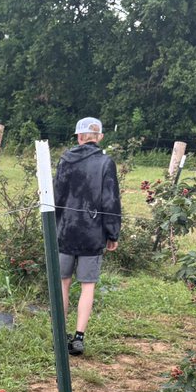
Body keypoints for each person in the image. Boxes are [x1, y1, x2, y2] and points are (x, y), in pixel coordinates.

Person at [54, 116, 121, 356]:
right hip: (92, 234)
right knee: (88, 285)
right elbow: (110, 201)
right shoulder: (106, 162)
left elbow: (56, 198)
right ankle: (79, 337)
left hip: (64, 232)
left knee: (62, 282)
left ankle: (59, 335)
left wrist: (55, 228)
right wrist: (112, 233)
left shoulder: (64, 160)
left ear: (79, 137)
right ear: (100, 137)